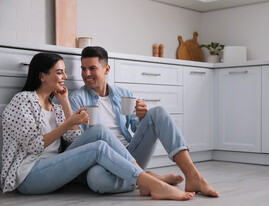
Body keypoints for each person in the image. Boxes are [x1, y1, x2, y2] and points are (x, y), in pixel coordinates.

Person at [1, 52, 196, 201]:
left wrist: (66, 102)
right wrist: (70, 122)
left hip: (54, 166)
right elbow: (33, 146)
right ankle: (151, 183)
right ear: (42, 76)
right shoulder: (23, 100)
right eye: (59, 72)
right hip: (28, 175)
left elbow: (74, 139)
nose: (64, 77)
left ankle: (146, 181)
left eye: (64, 72)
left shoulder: (56, 106)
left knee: (99, 131)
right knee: (98, 149)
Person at [69, 46, 219, 197]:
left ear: (106, 69)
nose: (86, 74)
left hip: (130, 154)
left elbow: (136, 128)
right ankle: (149, 180)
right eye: (83, 69)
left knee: (158, 112)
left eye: (92, 68)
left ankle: (193, 176)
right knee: (96, 179)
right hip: (103, 161)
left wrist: (141, 117)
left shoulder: (123, 94)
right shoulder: (77, 99)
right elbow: (80, 141)